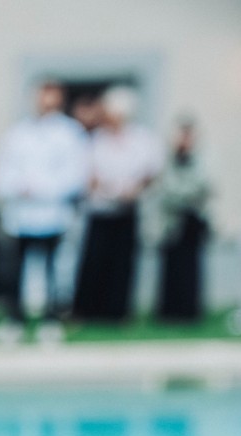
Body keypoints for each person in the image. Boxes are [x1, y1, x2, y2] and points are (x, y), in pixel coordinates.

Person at [0, 80, 89, 342]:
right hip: (21, 215)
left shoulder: (70, 133)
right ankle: (15, 319)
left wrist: (42, 188)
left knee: (53, 269)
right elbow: (2, 171)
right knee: (14, 271)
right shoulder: (18, 133)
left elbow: (76, 175)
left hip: (52, 214)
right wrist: (18, 187)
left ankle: (51, 319)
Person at [73, 86, 163, 321]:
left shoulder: (142, 139)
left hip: (127, 210)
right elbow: (88, 173)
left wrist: (134, 189)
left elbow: (150, 172)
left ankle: (117, 311)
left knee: (122, 263)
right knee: (95, 261)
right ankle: (89, 310)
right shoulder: (96, 141)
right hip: (100, 209)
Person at [156, 119, 211, 321]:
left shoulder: (202, 159)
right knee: (172, 266)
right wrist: (187, 193)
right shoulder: (168, 159)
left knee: (191, 267)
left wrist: (185, 192)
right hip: (172, 220)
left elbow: (205, 185)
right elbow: (166, 187)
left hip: (193, 220)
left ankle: (189, 310)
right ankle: (169, 311)